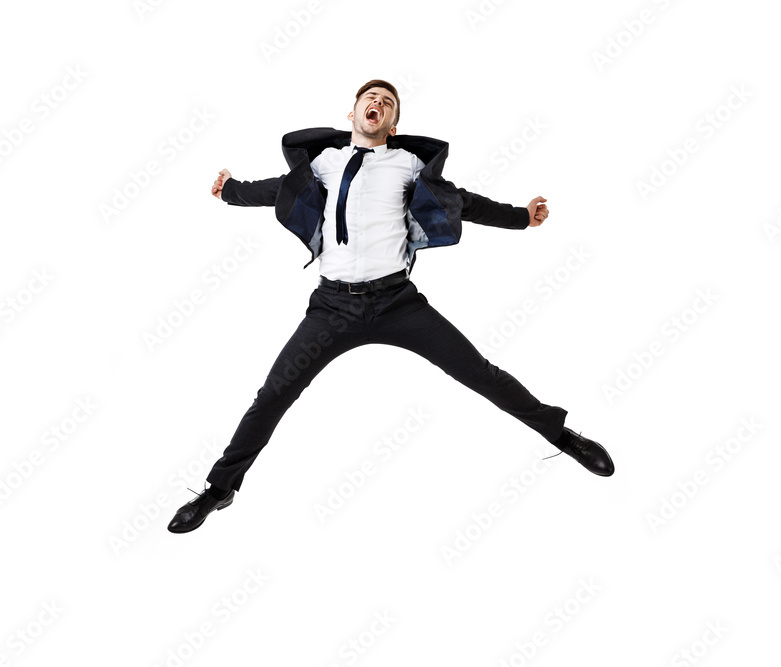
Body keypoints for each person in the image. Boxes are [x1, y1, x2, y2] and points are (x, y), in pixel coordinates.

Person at [168, 79, 614, 534]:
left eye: (387, 102)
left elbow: (463, 203)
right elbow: (277, 189)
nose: (377, 104)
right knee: (273, 395)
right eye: (370, 99)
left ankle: (562, 436)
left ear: (393, 124)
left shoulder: (408, 165)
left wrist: (520, 217)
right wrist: (230, 190)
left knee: (479, 373)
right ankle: (219, 490)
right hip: (332, 309)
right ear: (353, 114)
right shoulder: (325, 162)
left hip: (398, 303)